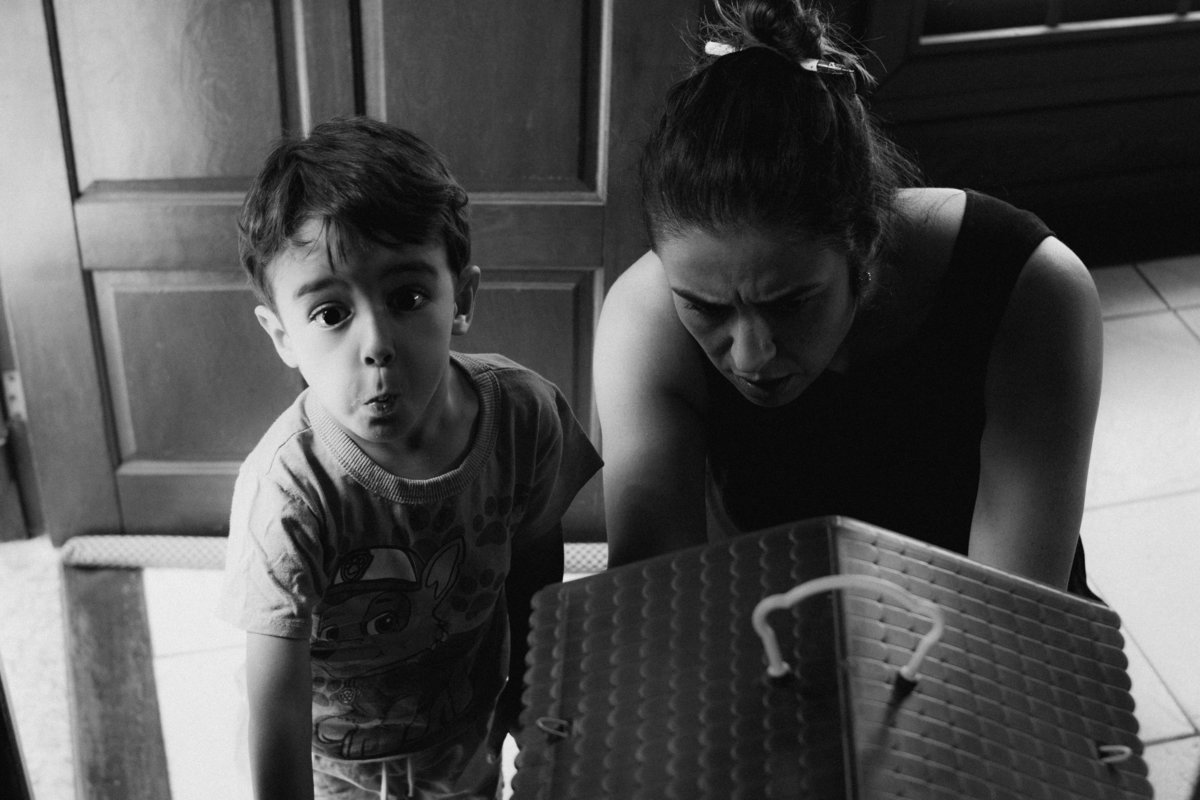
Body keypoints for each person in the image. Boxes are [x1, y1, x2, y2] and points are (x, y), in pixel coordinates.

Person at [593, 0, 1103, 596]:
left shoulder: (1026, 289)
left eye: (790, 303)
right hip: (781, 618)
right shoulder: (646, 317)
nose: (752, 357)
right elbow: (657, 597)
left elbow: (1010, 612)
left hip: (985, 630)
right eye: (706, 308)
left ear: (865, 240)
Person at [218, 116, 602, 800]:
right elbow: (275, 710)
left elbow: (535, 560)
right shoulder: (288, 494)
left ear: (463, 298)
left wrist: (531, 701)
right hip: (336, 772)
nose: (376, 344)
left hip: (467, 737)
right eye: (330, 313)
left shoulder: (523, 415)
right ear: (282, 336)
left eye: (407, 298)